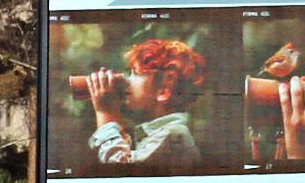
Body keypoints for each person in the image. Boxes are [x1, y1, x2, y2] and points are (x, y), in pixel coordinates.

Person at [77, 37, 211, 172]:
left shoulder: (174, 136)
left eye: (135, 74)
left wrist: (105, 113)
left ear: (163, 90)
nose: (127, 80)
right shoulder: (162, 132)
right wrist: (113, 113)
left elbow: (122, 172)